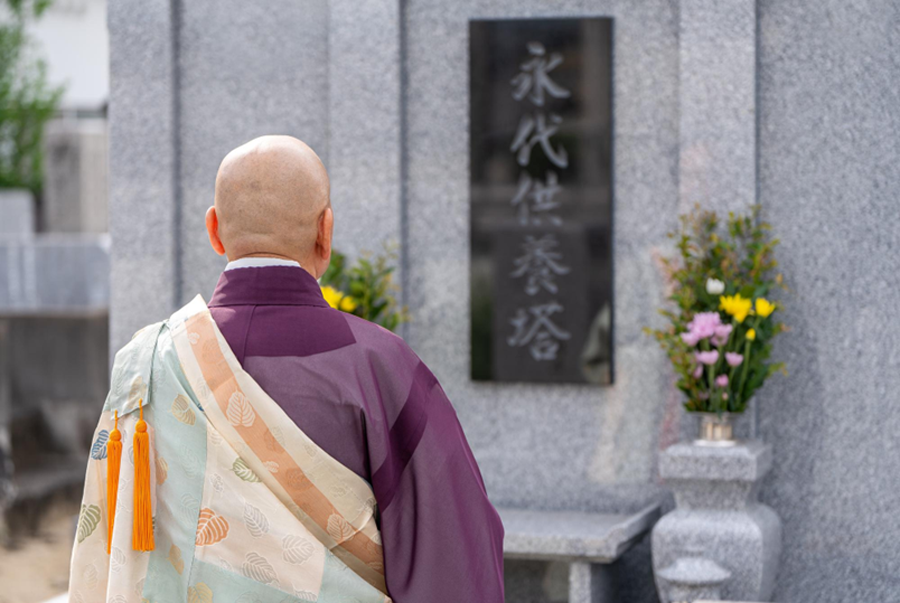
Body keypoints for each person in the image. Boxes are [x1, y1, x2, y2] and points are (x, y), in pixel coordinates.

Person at [67, 135, 505, 603]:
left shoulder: (148, 364)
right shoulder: (380, 366)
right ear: (326, 231)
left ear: (213, 230)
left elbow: (113, 551)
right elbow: (455, 557)